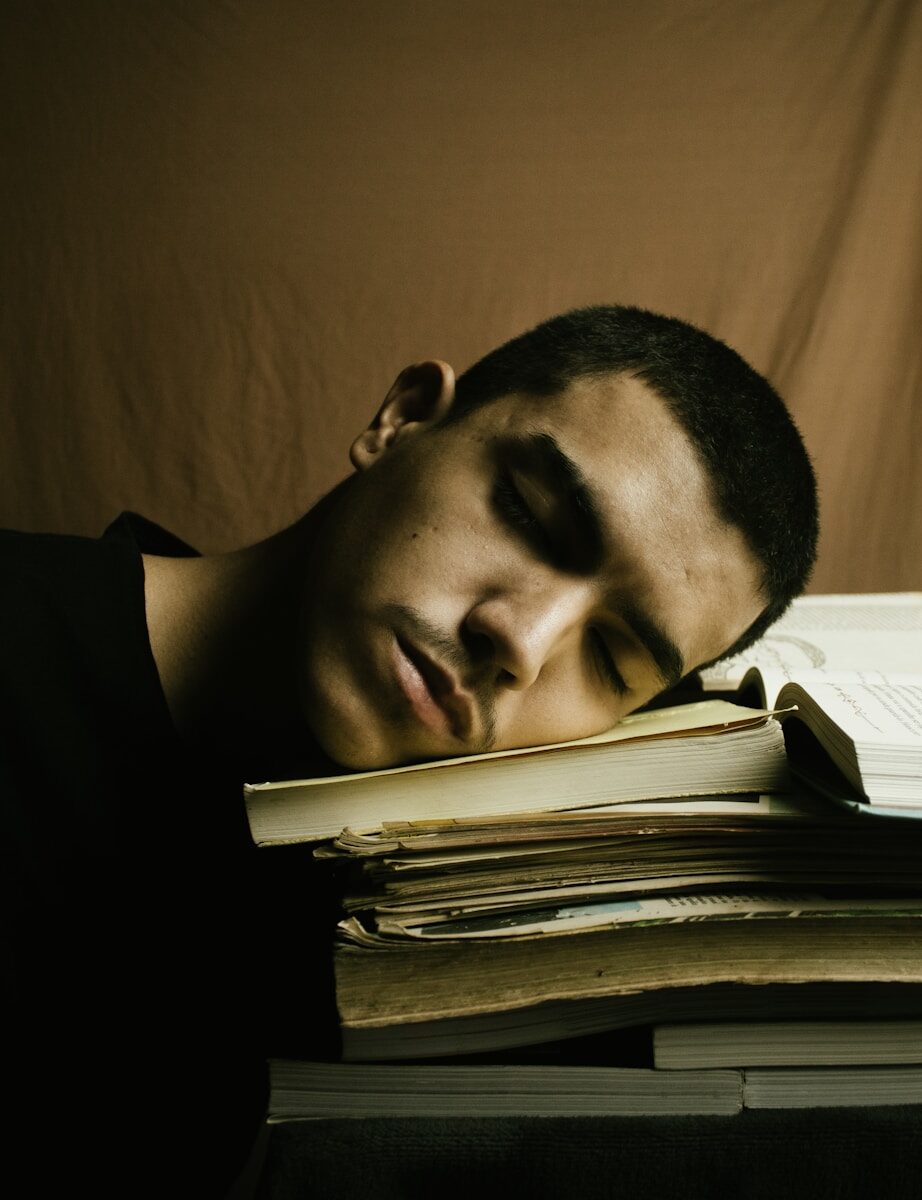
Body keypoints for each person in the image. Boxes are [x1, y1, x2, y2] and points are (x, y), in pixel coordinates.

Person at [3, 306, 817, 1195]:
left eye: (611, 659)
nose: (525, 642)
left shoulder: (419, 907)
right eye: (530, 514)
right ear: (400, 418)